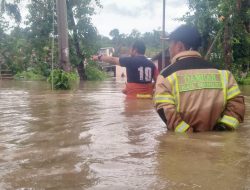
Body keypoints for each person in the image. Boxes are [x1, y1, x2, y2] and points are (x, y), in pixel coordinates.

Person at [154, 24, 245, 132]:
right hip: (219, 146)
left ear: (179, 46)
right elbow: (237, 104)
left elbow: (165, 110)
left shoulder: (166, 76)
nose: (169, 51)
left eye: (170, 46)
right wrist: (222, 129)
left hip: (184, 145)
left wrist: (189, 136)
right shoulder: (223, 73)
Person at [92, 40, 159, 98]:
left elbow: (112, 59)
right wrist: (150, 87)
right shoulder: (152, 65)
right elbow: (158, 81)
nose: (130, 51)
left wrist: (99, 57)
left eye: (130, 49)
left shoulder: (129, 61)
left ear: (135, 50)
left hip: (133, 100)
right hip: (148, 99)